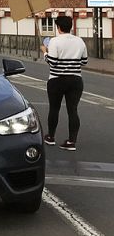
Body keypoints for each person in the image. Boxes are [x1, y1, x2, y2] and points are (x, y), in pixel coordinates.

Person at [40, 15, 88, 151]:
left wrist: (45, 52)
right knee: (73, 110)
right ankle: (71, 141)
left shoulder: (54, 41)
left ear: (58, 27)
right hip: (75, 80)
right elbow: (84, 61)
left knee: (54, 109)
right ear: (70, 27)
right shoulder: (80, 41)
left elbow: (52, 62)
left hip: (56, 79)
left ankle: (50, 137)